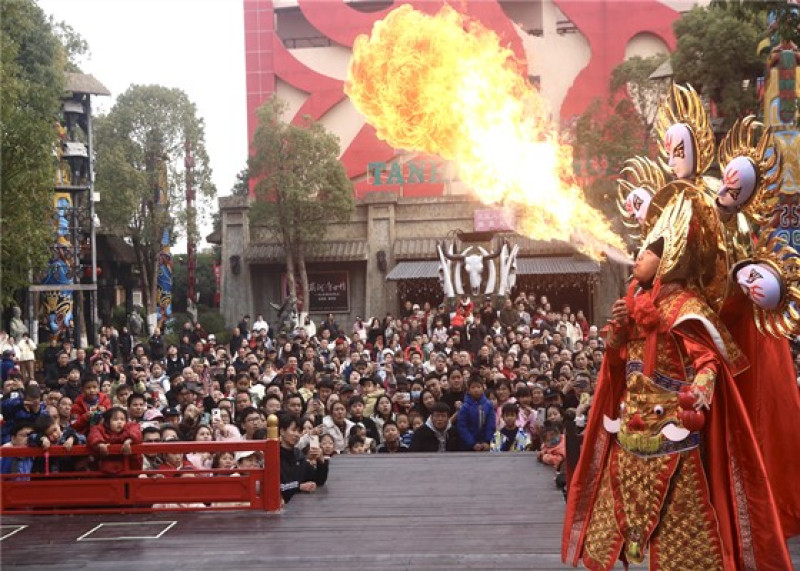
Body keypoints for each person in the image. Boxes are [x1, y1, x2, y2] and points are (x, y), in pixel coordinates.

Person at [562, 190, 793, 568]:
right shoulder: (635, 300)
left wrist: (700, 389)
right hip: (631, 429)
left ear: (669, 257)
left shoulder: (686, 306)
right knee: (619, 519)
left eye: (648, 252)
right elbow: (621, 361)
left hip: (675, 433)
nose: (639, 257)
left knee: (682, 536)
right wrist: (618, 331)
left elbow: (709, 361)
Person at [278, 413, 328, 503]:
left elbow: (318, 481)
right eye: (293, 430)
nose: (297, 434)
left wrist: (321, 461)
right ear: (282, 431)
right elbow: (276, 487)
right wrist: (299, 487)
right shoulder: (274, 455)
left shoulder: (298, 454)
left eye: (299, 431)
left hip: (300, 504)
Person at [88, 407, 142, 474]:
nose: (119, 422)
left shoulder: (130, 427)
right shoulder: (99, 429)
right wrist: (100, 444)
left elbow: (136, 430)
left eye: (122, 419)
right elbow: (94, 435)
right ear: (107, 422)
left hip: (128, 472)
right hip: (105, 473)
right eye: (115, 419)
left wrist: (129, 440)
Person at [456, 378, 495, 452]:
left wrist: (487, 441)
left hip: (485, 445)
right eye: (473, 387)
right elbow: (462, 427)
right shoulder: (465, 407)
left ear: (483, 389)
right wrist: (472, 443)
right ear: (468, 390)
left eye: (478, 387)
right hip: (468, 447)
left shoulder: (489, 405)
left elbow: (491, 425)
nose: (476, 390)